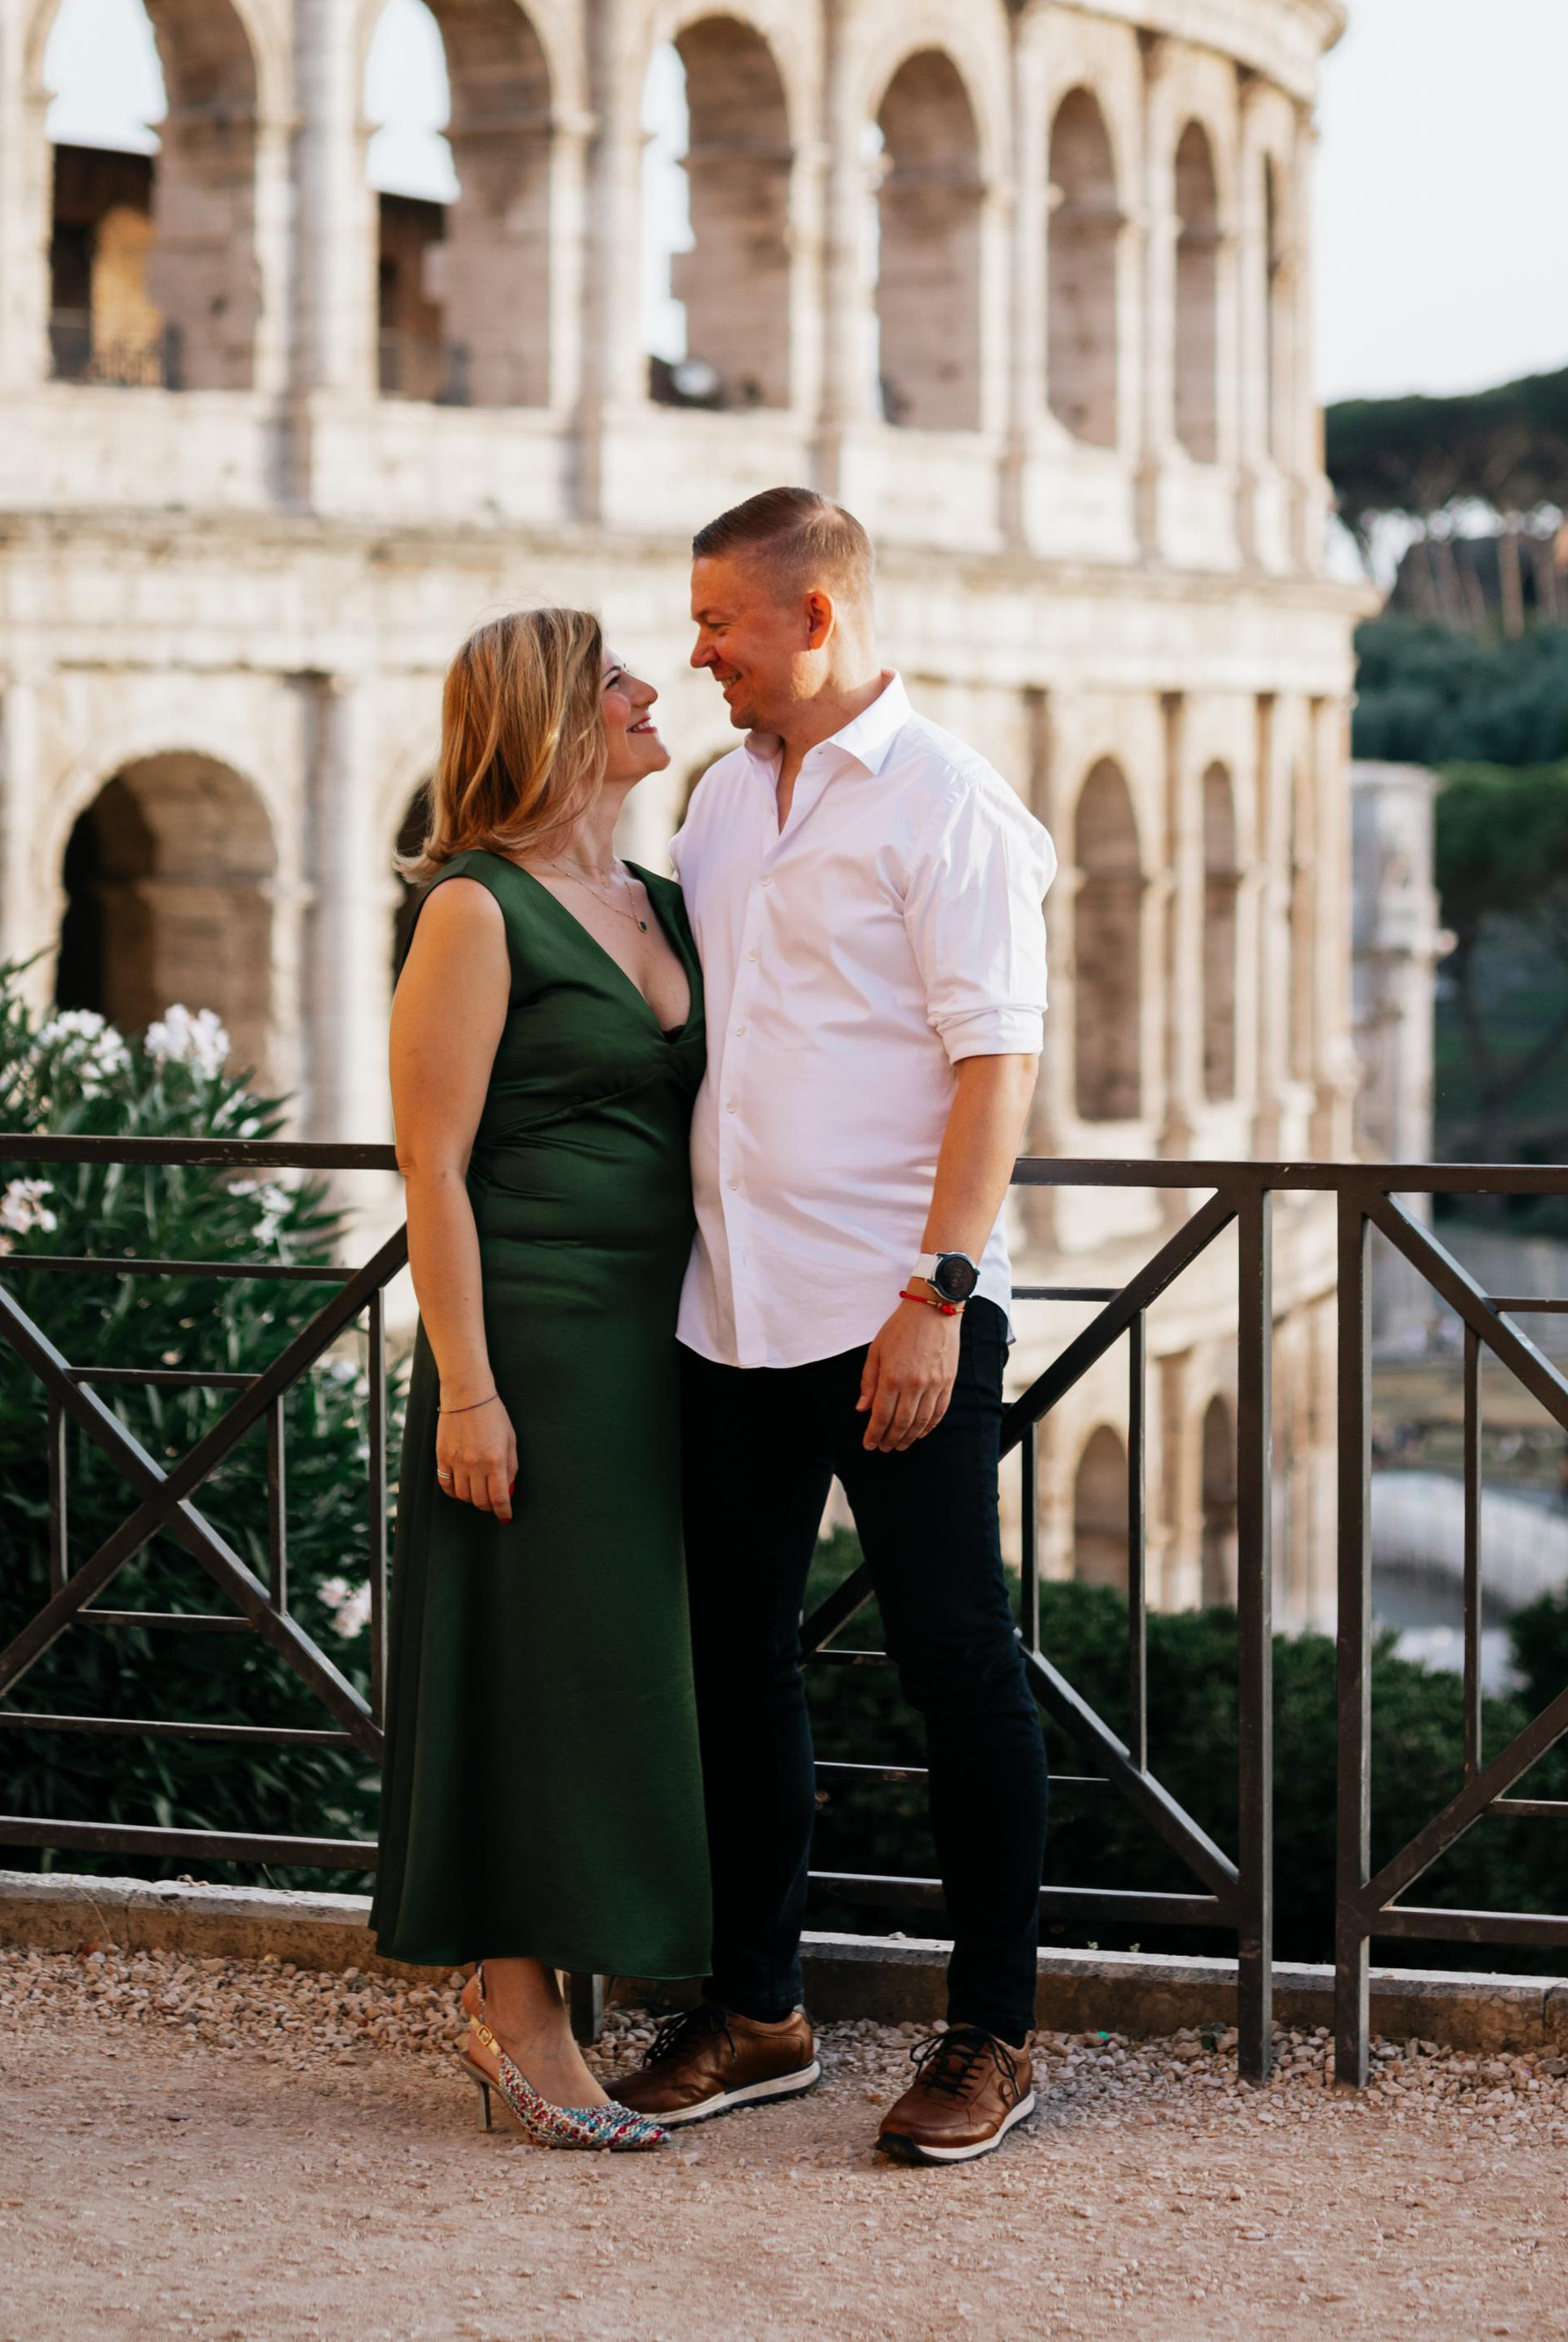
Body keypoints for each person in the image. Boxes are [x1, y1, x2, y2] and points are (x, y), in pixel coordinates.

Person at [611, 488, 1056, 2166]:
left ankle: (994, 2035)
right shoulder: (724, 800)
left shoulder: (951, 803)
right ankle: (759, 2011)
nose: (699, 654)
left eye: (720, 621)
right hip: (730, 1307)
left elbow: (994, 1062)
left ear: (816, 615)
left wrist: (939, 1293)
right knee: (736, 1663)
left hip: (897, 1314)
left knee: (958, 1666)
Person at [371, 607, 709, 2151]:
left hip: (670, 1336)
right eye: (617, 678)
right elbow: (432, 1167)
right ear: (555, 719)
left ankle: (588, 1976)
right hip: (535, 1338)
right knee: (524, 1666)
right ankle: (520, 2015)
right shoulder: (474, 908)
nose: (650, 691)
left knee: (620, 1668)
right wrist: (467, 1389)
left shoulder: (666, 900)